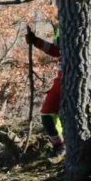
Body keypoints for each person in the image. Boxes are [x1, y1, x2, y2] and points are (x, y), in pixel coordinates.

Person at [26, 26, 64, 156]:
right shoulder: (65, 25)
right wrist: (36, 41)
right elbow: (55, 50)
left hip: (83, 82)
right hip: (60, 83)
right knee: (47, 115)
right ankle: (60, 146)